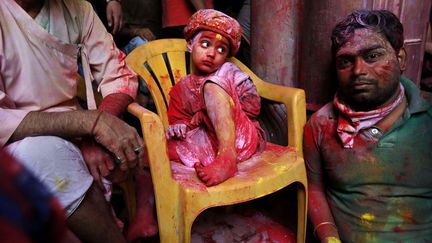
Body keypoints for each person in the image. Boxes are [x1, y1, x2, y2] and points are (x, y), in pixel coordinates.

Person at [0, 0, 146, 242]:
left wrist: (96, 133)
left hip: (74, 137)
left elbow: (118, 75)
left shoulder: (78, 9)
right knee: (40, 155)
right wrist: (90, 123)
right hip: (14, 146)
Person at [304, 9, 432, 242]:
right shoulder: (320, 125)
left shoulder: (428, 120)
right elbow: (314, 189)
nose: (358, 71)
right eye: (345, 61)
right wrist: (329, 237)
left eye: (372, 56)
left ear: (400, 59)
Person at [166, 9, 266, 186]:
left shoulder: (228, 71)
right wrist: (180, 127)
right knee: (159, 149)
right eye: (205, 44)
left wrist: (219, 107)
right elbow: (178, 121)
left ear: (226, 56)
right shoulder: (180, 89)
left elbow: (253, 106)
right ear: (190, 44)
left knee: (212, 84)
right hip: (208, 144)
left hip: (240, 139)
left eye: (221, 49)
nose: (212, 53)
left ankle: (227, 158)